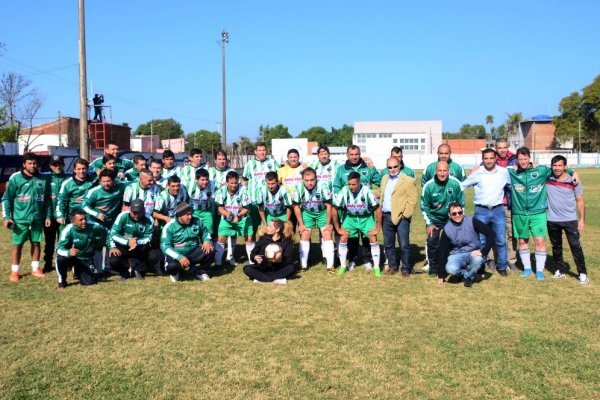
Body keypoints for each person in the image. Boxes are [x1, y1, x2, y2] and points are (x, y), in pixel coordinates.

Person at [507, 147, 578, 281]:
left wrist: (572, 171)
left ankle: (539, 270)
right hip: (519, 213)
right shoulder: (512, 172)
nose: (523, 162)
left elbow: (558, 170)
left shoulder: (541, 170)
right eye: (520, 159)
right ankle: (527, 268)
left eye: (525, 159)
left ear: (529, 158)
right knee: (522, 241)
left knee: (539, 241)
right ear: (517, 159)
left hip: (538, 213)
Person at [461, 148, 511, 277]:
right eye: (486, 158)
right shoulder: (478, 173)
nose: (488, 161)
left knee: (500, 240)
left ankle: (502, 267)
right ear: (482, 159)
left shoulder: (503, 172)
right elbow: (462, 186)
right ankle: (481, 267)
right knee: (481, 240)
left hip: (498, 210)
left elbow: (512, 186)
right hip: (481, 211)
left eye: (491, 158)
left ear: (495, 158)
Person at [2, 152, 52, 282]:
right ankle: (15, 271)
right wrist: (7, 217)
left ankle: (35, 268)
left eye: (35, 163)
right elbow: (7, 198)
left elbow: (47, 200)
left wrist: (47, 216)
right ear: (24, 164)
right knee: (17, 245)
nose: (33, 165)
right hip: (20, 219)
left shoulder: (43, 179)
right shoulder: (16, 179)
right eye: (30, 163)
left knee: (36, 243)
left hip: (37, 219)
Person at [332, 145, 382, 269]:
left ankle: (367, 260)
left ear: (360, 154)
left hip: (366, 210)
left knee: (367, 237)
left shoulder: (368, 167)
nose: (354, 157)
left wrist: (376, 194)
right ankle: (352, 260)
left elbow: (381, 181)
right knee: (352, 237)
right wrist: (342, 199)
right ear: (347, 155)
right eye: (351, 154)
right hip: (349, 210)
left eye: (356, 154)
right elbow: (336, 186)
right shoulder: (341, 169)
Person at [546, 155, 589, 284]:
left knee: (575, 246)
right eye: (554, 165)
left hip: (570, 219)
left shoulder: (574, 181)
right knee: (556, 246)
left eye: (560, 165)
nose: (557, 168)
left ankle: (582, 273)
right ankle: (559, 270)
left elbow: (580, 201)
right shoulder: (547, 179)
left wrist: (581, 220)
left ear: (565, 166)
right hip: (552, 219)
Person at [421, 161, 465, 276]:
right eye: (439, 170)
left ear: (448, 171)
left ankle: (451, 265)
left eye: (444, 170)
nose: (442, 173)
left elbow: (462, 204)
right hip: (434, 218)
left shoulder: (455, 183)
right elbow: (424, 206)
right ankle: (433, 267)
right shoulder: (428, 186)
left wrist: (458, 220)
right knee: (432, 241)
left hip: (451, 218)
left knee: (454, 242)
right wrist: (429, 223)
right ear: (435, 171)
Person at [437, 203, 495, 288]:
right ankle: (466, 272)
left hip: (473, 252)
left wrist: (483, 251)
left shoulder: (472, 221)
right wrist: (441, 274)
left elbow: (491, 233)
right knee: (451, 269)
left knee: (478, 260)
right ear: (449, 215)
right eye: (454, 213)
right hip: (456, 254)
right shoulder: (447, 229)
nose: (458, 215)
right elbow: (442, 251)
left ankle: (468, 277)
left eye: (460, 212)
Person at [380, 157, 417, 277]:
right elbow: (383, 194)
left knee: (404, 244)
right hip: (386, 216)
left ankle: (405, 269)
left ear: (399, 165)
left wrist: (405, 216)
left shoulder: (408, 180)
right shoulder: (385, 178)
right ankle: (392, 267)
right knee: (388, 244)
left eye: (395, 166)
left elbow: (412, 200)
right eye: (390, 167)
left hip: (401, 217)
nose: (392, 169)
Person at [292, 168, 335, 272]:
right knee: (305, 233)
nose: (309, 183)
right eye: (307, 180)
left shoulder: (323, 186)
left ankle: (330, 266)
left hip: (323, 212)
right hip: (307, 212)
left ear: (316, 178)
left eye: (312, 180)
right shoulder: (298, 187)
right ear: (302, 179)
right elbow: (296, 207)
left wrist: (328, 224)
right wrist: (301, 225)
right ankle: (303, 265)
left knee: (327, 233)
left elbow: (329, 205)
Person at [161, 202, 215, 282]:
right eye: (187, 215)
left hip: (193, 251)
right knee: (171, 267)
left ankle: (202, 272)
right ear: (179, 215)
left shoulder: (197, 220)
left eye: (191, 214)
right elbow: (165, 246)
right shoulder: (169, 226)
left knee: (210, 250)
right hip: (177, 253)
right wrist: (179, 257)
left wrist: (206, 240)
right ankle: (177, 273)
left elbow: (205, 232)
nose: (190, 217)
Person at [107, 199, 158, 280]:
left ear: (144, 210)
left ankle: (140, 270)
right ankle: (124, 272)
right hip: (123, 245)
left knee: (154, 256)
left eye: (139, 212)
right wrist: (128, 242)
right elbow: (113, 234)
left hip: (139, 246)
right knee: (113, 260)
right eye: (134, 212)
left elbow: (149, 237)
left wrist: (136, 242)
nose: (136, 215)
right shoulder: (122, 216)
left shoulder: (149, 219)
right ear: (130, 209)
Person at [55, 209, 106, 289]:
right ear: (73, 222)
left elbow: (107, 233)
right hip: (71, 257)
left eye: (85, 218)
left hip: (85, 258)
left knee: (88, 282)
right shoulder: (67, 230)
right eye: (81, 220)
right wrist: (68, 252)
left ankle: (77, 271)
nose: (84, 221)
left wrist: (106, 244)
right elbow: (58, 249)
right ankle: (62, 282)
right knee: (60, 259)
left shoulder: (94, 226)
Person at [213, 171, 254, 266]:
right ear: (227, 182)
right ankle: (218, 263)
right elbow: (220, 207)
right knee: (221, 238)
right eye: (231, 183)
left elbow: (246, 208)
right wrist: (227, 214)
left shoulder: (244, 190)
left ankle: (252, 262)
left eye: (236, 183)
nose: (234, 185)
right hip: (227, 218)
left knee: (249, 238)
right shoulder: (221, 191)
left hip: (243, 218)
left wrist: (238, 216)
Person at [243, 142, 281, 236]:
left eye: (263, 150)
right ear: (255, 152)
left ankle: (268, 247)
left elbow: (280, 177)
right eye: (259, 150)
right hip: (253, 202)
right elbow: (244, 181)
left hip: (269, 202)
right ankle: (255, 248)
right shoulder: (249, 164)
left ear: (266, 151)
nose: (262, 152)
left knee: (270, 226)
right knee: (253, 228)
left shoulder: (272, 162)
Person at [243, 218, 296, 284]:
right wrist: (255, 257)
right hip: (263, 268)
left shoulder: (287, 241)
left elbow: (289, 260)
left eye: (270, 226)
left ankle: (261, 279)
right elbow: (253, 253)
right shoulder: (263, 238)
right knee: (246, 268)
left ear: (277, 229)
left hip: (278, 269)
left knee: (292, 268)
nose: (267, 228)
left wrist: (279, 260)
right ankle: (276, 280)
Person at [494, 138, 518, 270]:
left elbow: (529, 168)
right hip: (495, 203)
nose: (502, 150)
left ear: (508, 147)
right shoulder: (491, 159)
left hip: (509, 203)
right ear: (496, 148)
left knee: (511, 233)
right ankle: (493, 259)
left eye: (504, 147)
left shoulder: (515, 160)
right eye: (499, 148)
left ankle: (511, 260)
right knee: (495, 233)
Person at [42, 155, 68, 273]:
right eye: (55, 164)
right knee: (50, 241)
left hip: (64, 216)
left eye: (60, 164)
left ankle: (65, 262)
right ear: (50, 166)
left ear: (63, 165)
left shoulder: (68, 177)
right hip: (50, 216)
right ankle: (48, 262)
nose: (58, 166)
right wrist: (47, 216)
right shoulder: (46, 178)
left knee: (64, 239)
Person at [186, 169, 215, 238]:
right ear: (196, 179)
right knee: (194, 230)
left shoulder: (213, 184)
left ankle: (207, 244)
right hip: (193, 211)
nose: (205, 182)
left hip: (206, 211)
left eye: (207, 179)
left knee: (208, 229)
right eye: (202, 180)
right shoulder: (189, 185)